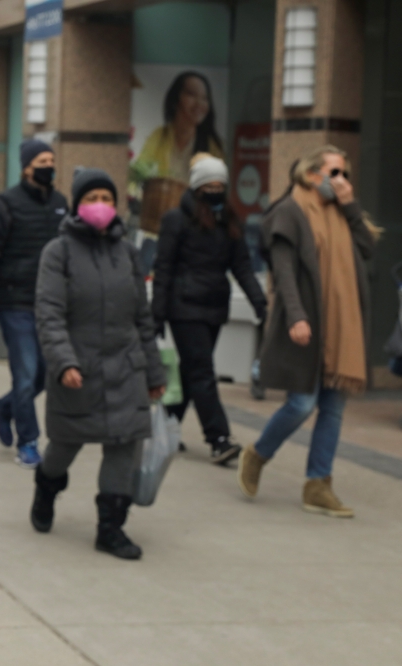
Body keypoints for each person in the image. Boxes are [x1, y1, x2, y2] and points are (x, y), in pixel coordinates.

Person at [30, 168, 167, 559]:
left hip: (126, 370)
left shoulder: (127, 253)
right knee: (63, 447)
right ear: (76, 205)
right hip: (78, 371)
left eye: (107, 199)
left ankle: (111, 529)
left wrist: (154, 373)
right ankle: (46, 487)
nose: (101, 206)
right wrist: (63, 362)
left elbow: (142, 318)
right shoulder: (58, 253)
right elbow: (49, 313)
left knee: (124, 449)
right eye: (92, 199)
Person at [238, 145, 375, 517]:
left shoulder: (343, 213)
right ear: (312, 174)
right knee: (301, 403)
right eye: (335, 174)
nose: (342, 181)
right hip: (307, 321)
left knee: (332, 407)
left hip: (341, 324)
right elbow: (283, 271)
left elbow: (366, 248)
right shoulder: (290, 211)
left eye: (345, 174)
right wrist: (297, 316)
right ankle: (258, 454)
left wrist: (350, 207)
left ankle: (318, 485)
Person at [152, 154, 267, 465]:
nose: (215, 190)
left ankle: (164, 427)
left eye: (220, 185)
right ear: (197, 187)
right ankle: (219, 438)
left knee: (193, 373)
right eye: (209, 185)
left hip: (214, 307)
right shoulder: (176, 219)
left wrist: (260, 303)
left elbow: (242, 266)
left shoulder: (229, 220)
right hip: (183, 308)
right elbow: (163, 268)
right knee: (202, 372)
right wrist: (157, 315)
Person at [0, 139, 69, 468]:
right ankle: (28, 441)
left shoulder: (60, 203)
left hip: (49, 304)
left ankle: (3, 408)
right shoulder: (6, 203)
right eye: (42, 160)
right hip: (14, 303)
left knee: (42, 376)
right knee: (26, 374)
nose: (49, 166)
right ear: (27, 167)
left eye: (52, 160)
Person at [135, 72, 224, 184]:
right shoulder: (160, 136)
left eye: (204, 98)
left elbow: (218, 189)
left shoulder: (213, 146)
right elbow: (138, 174)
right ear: (175, 99)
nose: (199, 103)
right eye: (192, 94)